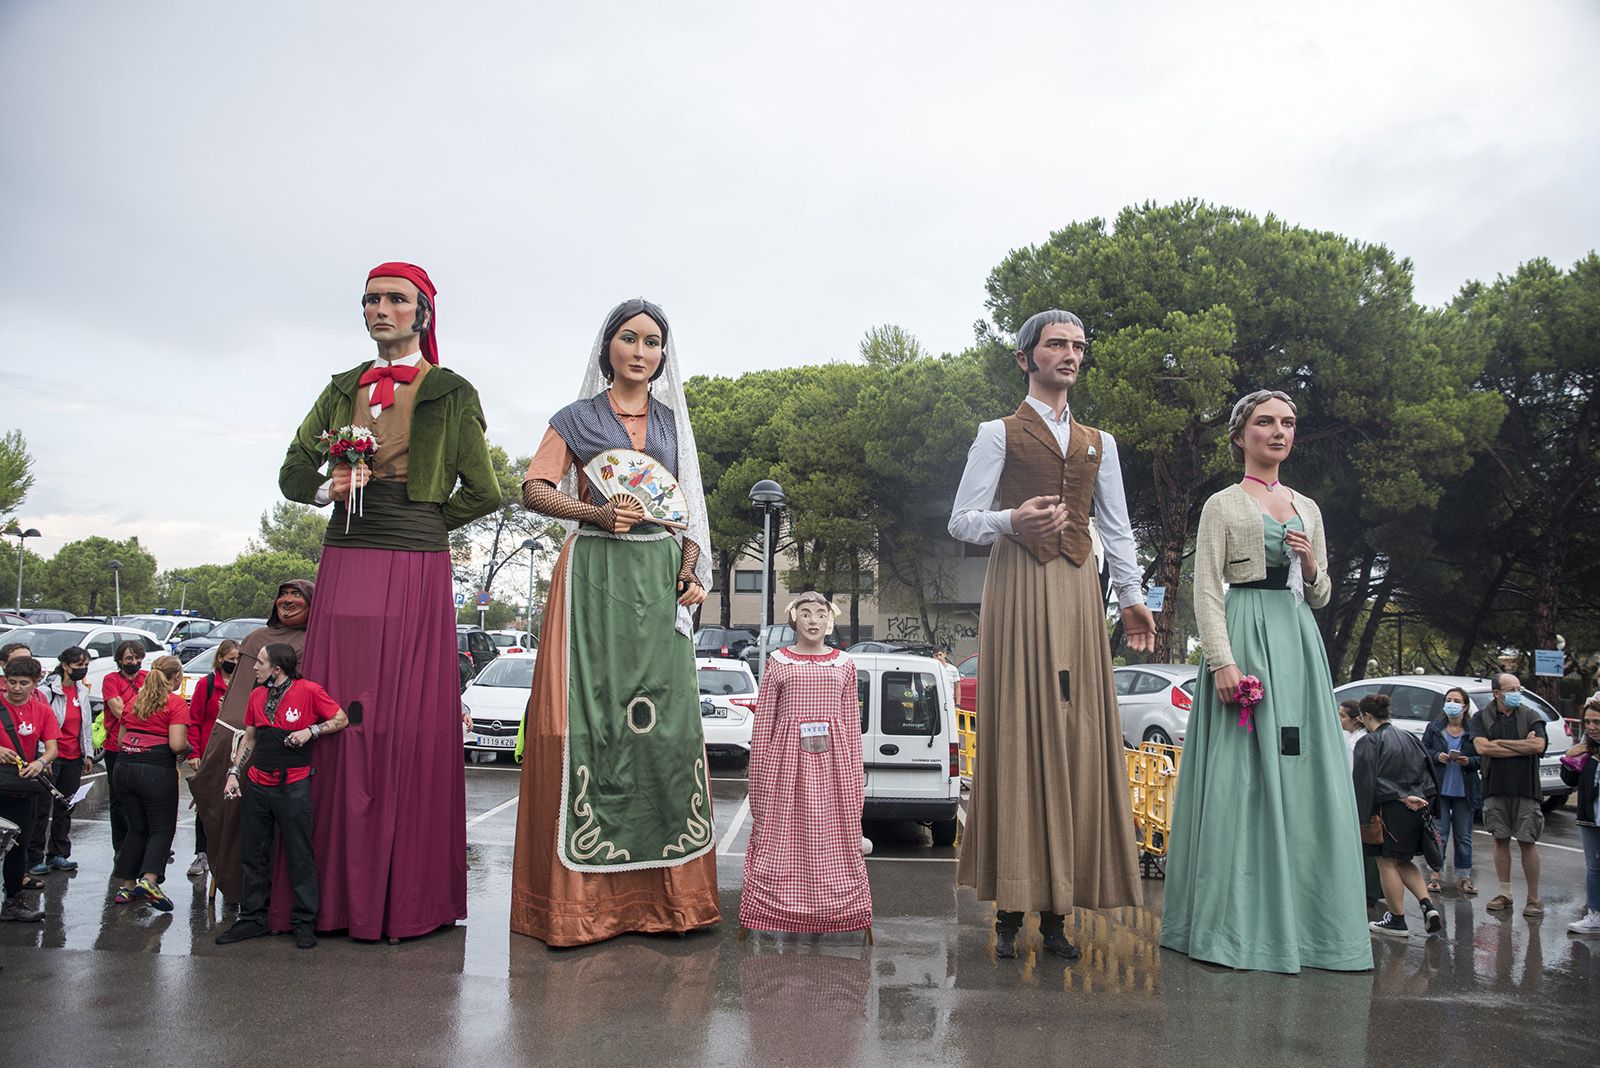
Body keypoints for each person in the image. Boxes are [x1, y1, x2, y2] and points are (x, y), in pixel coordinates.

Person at [278, 262, 498, 941]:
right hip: (344, 553)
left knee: (401, 718)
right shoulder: (342, 386)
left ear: (421, 313)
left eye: (395, 300)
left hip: (414, 559)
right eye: (371, 298)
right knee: (332, 706)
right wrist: (328, 489)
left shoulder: (451, 390)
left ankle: (401, 894)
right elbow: (291, 474)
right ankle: (326, 897)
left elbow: (486, 491)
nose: (380, 309)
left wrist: (421, 519)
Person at [510, 298, 719, 947]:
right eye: (628, 337)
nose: (640, 349)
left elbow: (683, 512)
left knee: (662, 723)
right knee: (587, 722)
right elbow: (535, 489)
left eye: (652, 340)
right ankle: (581, 907)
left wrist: (689, 572)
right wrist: (596, 513)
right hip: (593, 573)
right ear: (608, 347)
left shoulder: (672, 425)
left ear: (663, 354)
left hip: (656, 576)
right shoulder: (575, 418)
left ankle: (670, 900)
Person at [947, 309, 1152, 961]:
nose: (1070, 353)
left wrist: (1136, 598)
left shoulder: (1100, 442)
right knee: (1019, 735)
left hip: (1076, 587)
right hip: (1018, 580)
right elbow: (961, 521)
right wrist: (1011, 519)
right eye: (1057, 344)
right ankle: (1011, 910)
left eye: (1078, 345)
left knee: (1073, 737)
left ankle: (1058, 911)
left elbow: (1116, 528)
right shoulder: (996, 434)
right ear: (1025, 357)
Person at [1159, 389, 1371, 973]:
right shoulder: (1221, 505)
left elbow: (1323, 594)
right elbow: (1206, 588)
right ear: (1240, 434)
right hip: (1245, 633)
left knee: (1304, 771)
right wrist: (1221, 662)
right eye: (1265, 422)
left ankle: (1312, 928)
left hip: (1298, 639)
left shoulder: (1308, 507)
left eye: (1288, 423)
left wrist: (1309, 566)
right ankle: (1235, 927)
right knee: (1240, 776)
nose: (1278, 432)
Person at [740, 592, 871, 937]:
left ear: (829, 620)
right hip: (786, 765)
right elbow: (765, 722)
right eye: (806, 613)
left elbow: (851, 727)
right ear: (794, 619)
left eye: (820, 613)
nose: (813, 620)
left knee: (831, 836)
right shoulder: (779, 662)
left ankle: (832, 909)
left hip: (833, 765)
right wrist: (760, 778)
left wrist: (854, 776)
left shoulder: (844, 664)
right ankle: (778, 909)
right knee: (784, 838)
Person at [215, 643, 350, 950]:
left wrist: (311, 732)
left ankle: (304, 922)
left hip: (294, 786)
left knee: (300, 855)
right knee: (252, 855)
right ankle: (252, 919)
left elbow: (341, 718)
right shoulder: (257, 695)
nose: (254, 667)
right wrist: (234, 772)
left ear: (276, 668)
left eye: (260, 663)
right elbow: (249, 736)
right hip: (258, 783)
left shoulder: (310, 690)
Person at [190, 581, 314, 904]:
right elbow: (237, 701)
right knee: (232, 817)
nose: (287, 601)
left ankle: (280, 901)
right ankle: (243, 893)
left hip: (288, 752)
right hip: (241, 741)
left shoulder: (316, 641)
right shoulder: (256, 640)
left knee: (286, 833)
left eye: (296, 596)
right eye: (283, 595)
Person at [1353, 694, 1441, 938]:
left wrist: (1364, 816)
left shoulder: (1369, 743)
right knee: (1404, 860)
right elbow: (1428, 772)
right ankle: (1427, 905)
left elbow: (1365, 782)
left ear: (1366, 716)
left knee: (1386, 862)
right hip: (1417, 806)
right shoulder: (1409, 737)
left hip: (1387, 809)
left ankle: (1396, 918)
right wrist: (1423, 801)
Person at [110, 655, 190, 911]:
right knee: (162, 828)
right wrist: (190, 748)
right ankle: (150, 879)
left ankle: (127, 885)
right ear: (176, 677)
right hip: (155, 769)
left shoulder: (134, 701)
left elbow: (122, 739)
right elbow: (176, 744)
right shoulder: (175, 703)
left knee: (136, 828)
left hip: (124, 768)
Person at [1472, 673, 1547, 916]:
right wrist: (1519, 745)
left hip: (1526, 788)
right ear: (1496, 693)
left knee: (1527, 841)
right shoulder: (1481, 716)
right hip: (1495, 787)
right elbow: (1482, 748)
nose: (1516, 693)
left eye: (1518, 688)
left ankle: (1534, 898)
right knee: (1500, 839)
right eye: (1511, 689)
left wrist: (1500, 744)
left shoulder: (1531, 715)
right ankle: (1504, 893)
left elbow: (1538, 746)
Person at [27, 647, 96, 876]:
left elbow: (84, 725)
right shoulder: (48, 691)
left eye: (86, 665)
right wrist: (42, 756)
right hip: (51, 757)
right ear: (65, 665)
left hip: (74, 756)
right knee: (42, 808)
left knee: (66, 806)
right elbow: (42, 725)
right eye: (78, 665)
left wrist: (87, 754)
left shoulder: (81, 691)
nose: (82, 670)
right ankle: (35, 856)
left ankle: (58, 853)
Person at [0, 656, 58, 922]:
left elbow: (53, 748)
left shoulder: (42, 710)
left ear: (35, 683)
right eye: (11, 682)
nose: (16, 688)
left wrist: (40, 762)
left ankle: (13, 902)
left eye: (23, 683)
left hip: (23, 785)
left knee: (18, 846)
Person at [184, 639, 238, 877]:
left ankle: (228, 855)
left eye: (239, 660)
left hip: (236, 756)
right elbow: (193, 721)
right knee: (205, 805)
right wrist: (194, 753)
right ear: (220, 659)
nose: (235, 663)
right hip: (209, 754)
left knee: (232, 806)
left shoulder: (243, 685)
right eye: (231, 659)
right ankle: (202, 853)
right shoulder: (206, 685)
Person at [1421, 686, 1481, 895]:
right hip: (1440, 790)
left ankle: (1464, 877)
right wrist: (1437, 756)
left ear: (1465, 706)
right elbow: (1424, 751)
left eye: (1457, 701)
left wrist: (1469, 761)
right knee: (1439, 834)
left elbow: (1482, 757)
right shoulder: (1435, 727)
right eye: (1449, 700)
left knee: (1464, 837)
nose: (1452, 704)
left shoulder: (1474, 730)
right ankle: (1434, 875)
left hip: (1465, 791)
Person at [99, 640, 148, 859]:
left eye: (137, 658)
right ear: (120, 660)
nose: (134, 662)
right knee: (118, 799)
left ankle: (144, 841)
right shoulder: (111, 680)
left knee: (143, 796)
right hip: (115, 746)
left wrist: (131, 706)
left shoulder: (147, 677)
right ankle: (121, 845)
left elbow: (158, 705)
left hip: (144, 745)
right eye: (129, 658)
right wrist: (143, 709)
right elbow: (118, 711)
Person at [1561, 699, 1600, 935]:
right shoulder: (1587, 751)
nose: (1591, 726)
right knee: (1594, 868)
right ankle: (1594, 915)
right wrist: (1570, 757)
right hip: (1590, 818)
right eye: (1587, 722)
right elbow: (1570, 781)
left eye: (1597, 721)